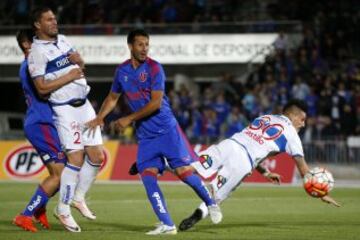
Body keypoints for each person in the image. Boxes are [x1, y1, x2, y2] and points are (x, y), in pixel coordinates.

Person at [86, 29, 221, 235]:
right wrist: (100, 117)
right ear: (130, 46)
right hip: (146, 134)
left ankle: (211, 202)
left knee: (183, 173)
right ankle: (167, 224)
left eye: (146, 44)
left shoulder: (154, 68)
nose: (144, 48)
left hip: (166, 128)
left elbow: (156, 103)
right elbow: (113, 98)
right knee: (147, 175)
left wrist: (128, 119)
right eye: (140, 44)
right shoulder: (121, 71)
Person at [177, 99, 340, 231]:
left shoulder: (265, 117)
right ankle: (197, 214)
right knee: (216, 196)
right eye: (302, 119)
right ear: (292, 115)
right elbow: (304, 170)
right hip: (242, 161)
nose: (303, 124)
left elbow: (254, 146)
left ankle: (158, 167)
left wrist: (266, 173)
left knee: (191, 167)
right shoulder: (292, 135)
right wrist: (320, 193)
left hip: (229, 144)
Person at [28, 7, 105, 232]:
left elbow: (79, 67)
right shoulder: (37, 53)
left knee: (97, 155)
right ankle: (62, 210)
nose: (54, 22)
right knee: (76, 158)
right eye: (49, 19)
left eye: (54, 18)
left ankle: (78, 198)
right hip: (65, 109)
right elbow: (41, 88)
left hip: (85, 105)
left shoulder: (63, 40)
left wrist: (80, 62)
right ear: (38, 25)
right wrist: (69, 75)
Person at [12, 29, 94, 233]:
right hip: (41, 123)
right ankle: (25, 214)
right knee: (60, 174)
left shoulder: (34, 64)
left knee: (65, 172)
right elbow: (44, 88)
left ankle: (39, 206)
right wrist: (70, 74)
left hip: (46, 121)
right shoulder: (30, 67)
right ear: (27, 45)